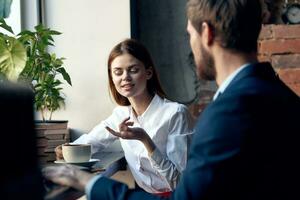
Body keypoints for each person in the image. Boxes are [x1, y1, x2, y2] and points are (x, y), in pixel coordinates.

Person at [44, 0, 300, 199]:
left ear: (207, 33)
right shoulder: (279, 96)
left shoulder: (228, 114)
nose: (125, 78)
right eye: (117, 72)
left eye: (190, 34)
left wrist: (90, 183)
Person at [54, 38, 194, 195]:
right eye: (118, 72)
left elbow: (180, 182)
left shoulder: (175, 114)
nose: (125, 77)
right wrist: (66, 150)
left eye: (133, 70)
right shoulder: (121, 114)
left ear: (148, 73)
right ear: (112, 78)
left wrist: (146, 141)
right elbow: (93, 141)